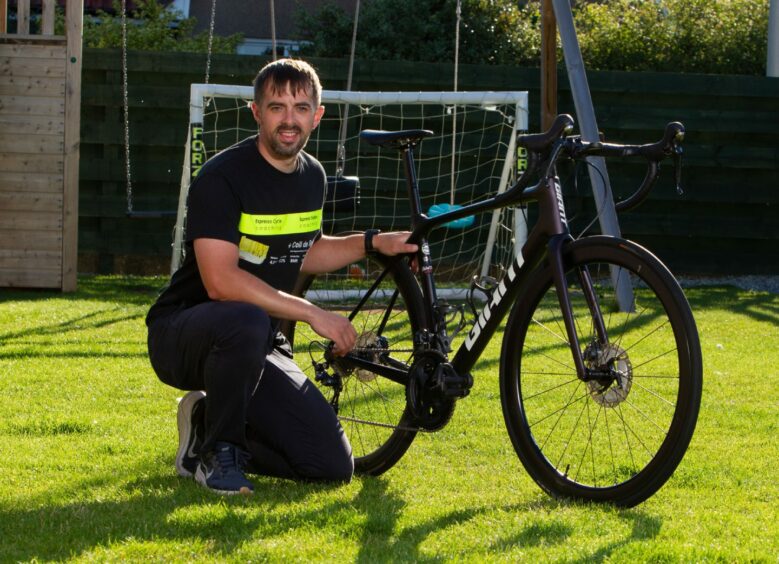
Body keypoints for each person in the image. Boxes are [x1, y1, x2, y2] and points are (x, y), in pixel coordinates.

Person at [146, 58, 417, 495]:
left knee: (330, 466)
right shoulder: (221, 177)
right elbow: (220, 282)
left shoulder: (313, 176)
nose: (289, 120)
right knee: (247, 318)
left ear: (317, 115)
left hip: (255, 342)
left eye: (301, 107)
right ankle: (221, 455)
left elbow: (304, 250)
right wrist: (312, 313)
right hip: (184, 332)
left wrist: (373, 241)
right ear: (256, 112)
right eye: (277, 107)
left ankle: (202, 427)